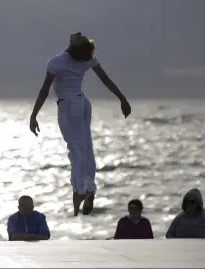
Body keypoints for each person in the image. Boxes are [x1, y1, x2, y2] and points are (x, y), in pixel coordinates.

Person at [29, 32, 131, 216]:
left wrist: (34, 115)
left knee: (75, 150)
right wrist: (122, 99)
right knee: (87, 148)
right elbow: (105, 79)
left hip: (69, 106)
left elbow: (44, 90)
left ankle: (79, 191)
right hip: (84, 104)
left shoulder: (56, 62)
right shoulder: (87, 59)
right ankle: (90, 186)